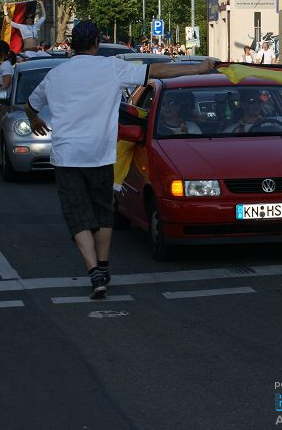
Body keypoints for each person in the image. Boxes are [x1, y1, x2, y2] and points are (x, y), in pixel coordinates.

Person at [25, 21, 217, 299]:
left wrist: (35, 121)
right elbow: (156, 71)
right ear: (96, 45)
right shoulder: (111, 67)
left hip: (67, 157)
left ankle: (93, 272)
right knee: (104, 212)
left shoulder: (55, 75)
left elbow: (31, 104)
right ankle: (103, 266)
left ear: (70, 46)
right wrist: (198, 68)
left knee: (76, 216)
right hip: (100, 155)